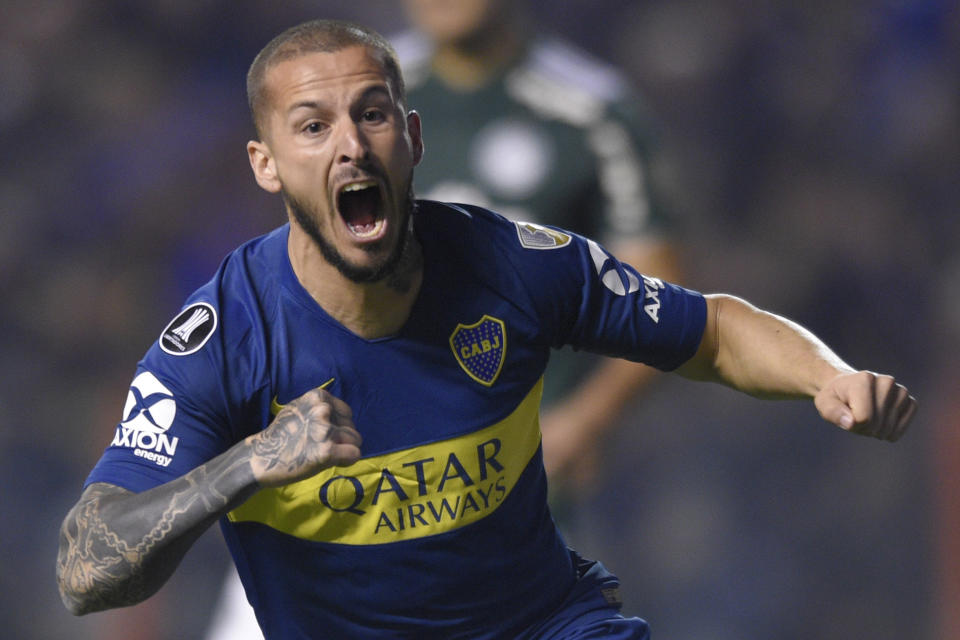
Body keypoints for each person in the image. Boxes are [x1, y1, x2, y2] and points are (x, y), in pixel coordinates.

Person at [56, 19, 916, 640]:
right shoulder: (221, 340)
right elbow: (86, 569)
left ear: (414, 135)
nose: (351, 146)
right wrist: (247, 464)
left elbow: (715, 331)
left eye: (373, 114)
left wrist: (826, 376)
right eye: (313, 127)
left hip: (545, 625)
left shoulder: (515, 264)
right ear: (266, 165)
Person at [395, 0, 683, 487]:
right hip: (378, 456)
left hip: (525, 463)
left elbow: (659, 291)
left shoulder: (594, 111)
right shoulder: (359, 97)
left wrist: (584, 421)